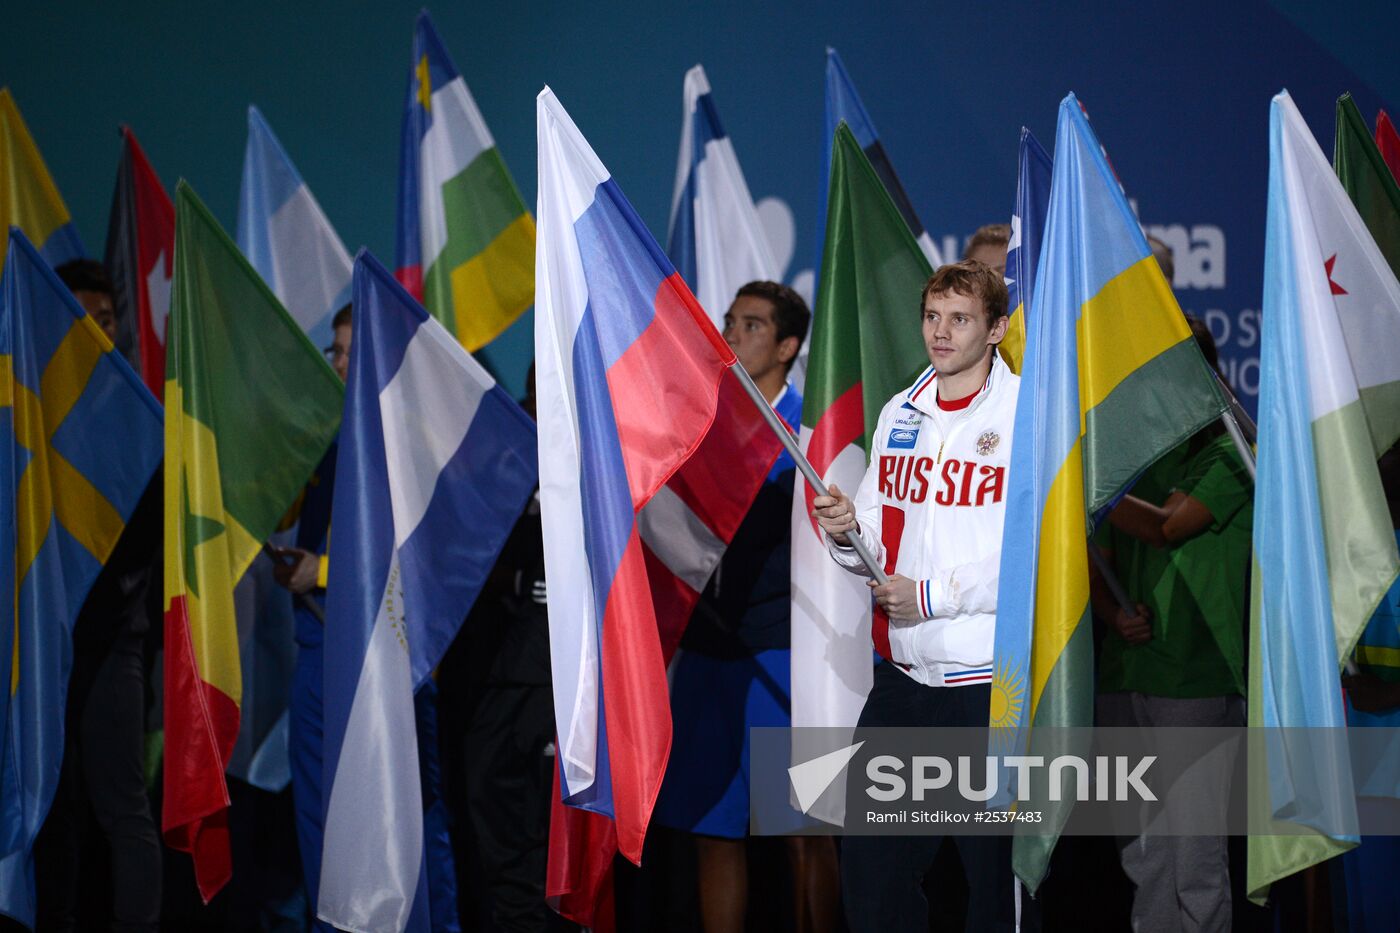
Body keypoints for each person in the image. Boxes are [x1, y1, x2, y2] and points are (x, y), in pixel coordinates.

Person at [813, 260, 1022, 932]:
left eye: (959, 319)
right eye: (933, 316)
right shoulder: (902, 409)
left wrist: (930, 595)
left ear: (995, 329)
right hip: (902, 678)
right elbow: (873, 540)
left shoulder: (1028, 412)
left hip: (989, 686)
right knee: (873, 879)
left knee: (997, 887)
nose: (940, 331)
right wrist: (847, 532)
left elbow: (1038, 554)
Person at [653, 282, 838, 933]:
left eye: (752, 325)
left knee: (803, 831)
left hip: (784, 649)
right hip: (706, 648)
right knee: (713, 829)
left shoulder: (810, 432)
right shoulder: (696, 420)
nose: (731, 334)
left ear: (788, 345)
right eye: (729, 321)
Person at [273, 304, 460, 932]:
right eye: (336, 350)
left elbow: (420, 562)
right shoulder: (325, 441)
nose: (340, 362)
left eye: (352, 351)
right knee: (320, 819)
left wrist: (320, 573)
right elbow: (285, 520)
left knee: (407, 815)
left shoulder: (414, 443)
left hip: (388, 658)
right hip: (317, 649)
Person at [1091, 316, 1251, 933]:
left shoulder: (1233, 451)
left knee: (1194, 854)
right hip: (1124, 671)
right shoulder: (1127, 455)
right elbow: (1096, 558)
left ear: (1197, 376)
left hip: (1195, 673)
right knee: (1142, 851)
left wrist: (1082, 481)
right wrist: (1113, 614)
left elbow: (1167, 525)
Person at [34, 260, 162, 932]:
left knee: (123, 811)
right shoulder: (30, 415)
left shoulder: (141, 420)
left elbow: (150, 540)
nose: (98, 330)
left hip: (114, 646)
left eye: (108, 319)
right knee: (50, 810)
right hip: (45, 646)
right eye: (84, 318)